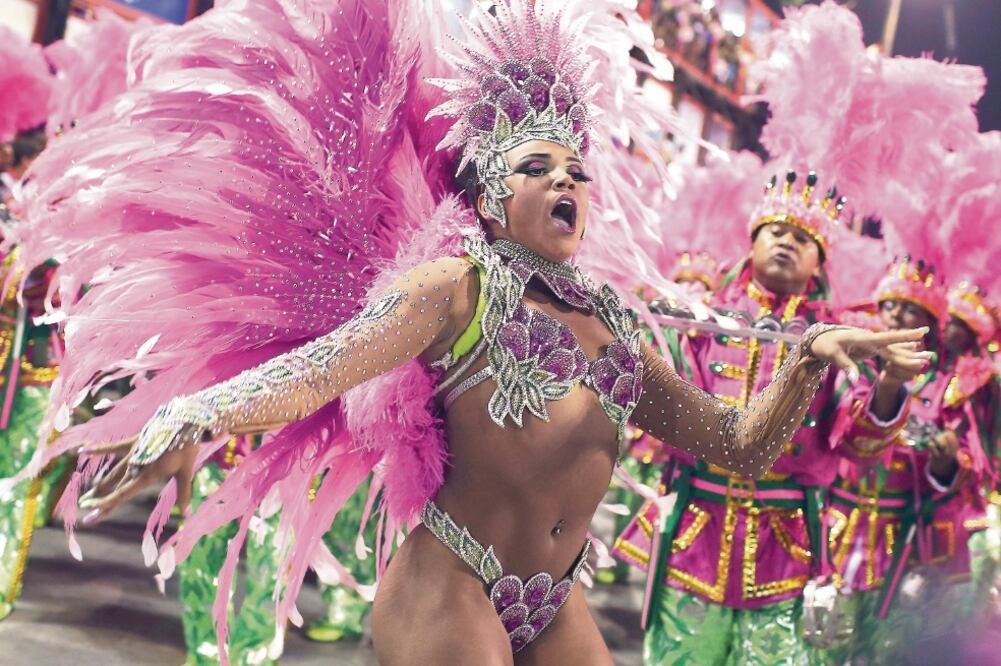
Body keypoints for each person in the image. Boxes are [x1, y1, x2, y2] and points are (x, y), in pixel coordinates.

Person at [4, 1, 927, 663]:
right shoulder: (454, 287)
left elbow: (737, 446)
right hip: (453, 583)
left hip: (552, 599)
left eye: (577, 167)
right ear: (491, 197)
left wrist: (808, 358)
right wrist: (186, 420)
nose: (566, 180)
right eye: (538, 166)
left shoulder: (610, 320)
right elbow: (320, 371)